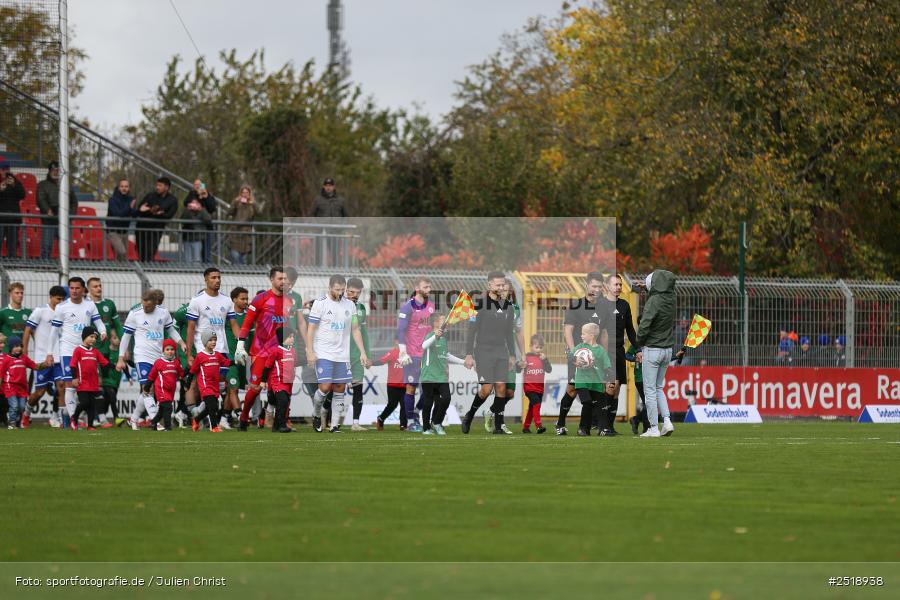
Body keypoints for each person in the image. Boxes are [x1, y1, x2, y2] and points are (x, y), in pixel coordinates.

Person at [235, 267, 300, 430]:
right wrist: (240, 345)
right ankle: (243, 418)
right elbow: (247, 322)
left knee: (282, 387)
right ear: (271, 279)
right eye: (280, 278)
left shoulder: (289, 302)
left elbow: (286, 328)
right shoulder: (260, 299)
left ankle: (281, 422)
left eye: (285, 279)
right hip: (260, 351)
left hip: (280, 352)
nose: (283, 281)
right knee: (256, 388)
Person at [304, 275, 368, 433]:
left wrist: (362, 352)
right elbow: (311, 328)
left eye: (342, 290)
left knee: (340, 388)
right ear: (330, 287)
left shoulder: (350, 306)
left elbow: (355, 329)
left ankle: (334, 426)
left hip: (342, 354)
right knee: (325, 387)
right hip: (323, 352)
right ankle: (316, 414)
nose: (340, 293)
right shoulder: (320, 303)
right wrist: (310, 351)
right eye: (337, 289)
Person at [460, 271, 520, 435]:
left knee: (501, 387)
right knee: (486, 389)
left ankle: (499, 425)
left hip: (502, 351)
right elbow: (471, 331)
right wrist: (469, 354)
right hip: (483, 351)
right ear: (489, 285)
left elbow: (509, 333)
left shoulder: (508, 306)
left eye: (503, 285)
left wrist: (513, 355)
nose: (501, 287)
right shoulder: (479, 305)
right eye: (498, 285)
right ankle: (470, 416)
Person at [118, 289, 186, 431]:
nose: (145, 307)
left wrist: (181, 342)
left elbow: (171, 330)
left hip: (158, 357)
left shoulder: (163, 312)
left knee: (149, 391)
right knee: (147, 389)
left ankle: (133, 419)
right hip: (142, 356)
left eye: (148, 305)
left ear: (156, 303)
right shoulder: (135, 313)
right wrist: (120, 358)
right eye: (143, 303)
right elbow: (126, 336)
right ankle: (156, 422)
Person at [556, 271, 611, 435]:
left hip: (595, 356)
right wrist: (574, 353)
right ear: (587, 285)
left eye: (599, 287)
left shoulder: (604, 307)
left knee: (596, 390)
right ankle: (560, 424)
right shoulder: (576, 305)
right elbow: (568, 330)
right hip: (578, 357)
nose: (596, 289)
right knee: (572, 389)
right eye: (593, 286)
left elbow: (604, 333)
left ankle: (594, 427)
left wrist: (604, 356)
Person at [50, 277, 107, 429]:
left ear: (83, 290)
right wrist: (50, 352)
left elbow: (98, 321)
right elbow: (54, 331)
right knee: (70, 384)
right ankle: (72, 421)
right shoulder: (62, 307)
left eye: (77, 288)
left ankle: (74, 417)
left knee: (84, 387)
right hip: (68, 350)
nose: (74, 291)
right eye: (71, 288)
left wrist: (102, 331)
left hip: (85, 350)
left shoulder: (90, 305)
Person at [186, 268, 239, 428]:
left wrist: (241, 344)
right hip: (204, 349)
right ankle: (211, 422)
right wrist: (189, 353)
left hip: (221, 347)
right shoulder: (197, 300)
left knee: (219, 386)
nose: (217, 280)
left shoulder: (227, 300)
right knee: (205, 386)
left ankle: (199, 414)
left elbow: (234, 324)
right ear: (206, 280)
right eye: (213, 277)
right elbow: (190, 327)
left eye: (219, 277)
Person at [635, 269, 677, 438]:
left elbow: (645, 324)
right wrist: (645, 287)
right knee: (659, 387)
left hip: (652, 349)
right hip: (667, 349)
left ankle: (653, 427)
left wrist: (638, 341)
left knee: (650, 389)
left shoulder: (653, 301)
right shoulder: (671, 297)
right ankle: (667, 421)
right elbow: (659, 291)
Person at [22, 285, 66, 428]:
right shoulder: (40, 311)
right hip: (42, 358)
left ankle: (58, 418)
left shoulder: (64, 313)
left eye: (62, 299)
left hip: (59, 357)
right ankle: (26, 414)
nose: (60, 302)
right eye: (58, 299)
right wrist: (25, 351)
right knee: (39, 392)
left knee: (61, 386)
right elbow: (28, 330)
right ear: (51, 297)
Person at [395, 276, 436, 432]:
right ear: (418, 289)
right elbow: (400, 330)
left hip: (427, 354)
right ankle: (411, 421)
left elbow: (431, 328)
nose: (429, 290)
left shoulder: (431, 306)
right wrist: (403, 351)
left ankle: (417, 412)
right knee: (411, 388)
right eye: (425, 287)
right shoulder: (407, 307)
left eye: (429, 287)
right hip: (412, 354)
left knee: (430, 388)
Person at [599, 274, 637, 433]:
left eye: (620, 285)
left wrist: (638, 348)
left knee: (617, 389)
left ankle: (609, 426)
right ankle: (603, 426)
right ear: (607, 286)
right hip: (605, 351)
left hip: (619, 350)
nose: (619, 287)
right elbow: (596, 330)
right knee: (609, 387)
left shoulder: (625, 305)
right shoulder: (600, 305)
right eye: (615, 284)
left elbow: (630, 329)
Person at [489, 278, 525, 433]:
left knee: (509, 392)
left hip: (510, 355)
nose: (504, 291)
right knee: (500, 389)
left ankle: (491, 412)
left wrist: (522, 354)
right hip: (494, 353)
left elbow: (518, 332)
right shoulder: (490, 306)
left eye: (507, 290)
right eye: (502, 288)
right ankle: (500, 423)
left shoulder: (514, 308)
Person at [419, 313, 464, 435]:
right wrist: (435, 336)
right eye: (444, 320)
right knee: (428, 402)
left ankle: (437, 422)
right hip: (429, 376)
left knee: (446, 399)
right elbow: (423, 346)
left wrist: (463, 362)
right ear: (436, 323)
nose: (447, 322)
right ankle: (426, 428)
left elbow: (446, 355)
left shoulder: (444, 339)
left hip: (441, 377)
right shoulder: (429, 336)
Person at [573, 323, 614, 436]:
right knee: (587, 403)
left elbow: (607, 367)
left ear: (591, 335)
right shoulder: (580, 347)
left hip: (596, 383)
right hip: (582, 381)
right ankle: (583, 429)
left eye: (583, 333)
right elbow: (570, 356)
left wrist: (610, 381)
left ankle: (603, 429)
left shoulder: (601, 351)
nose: (581, 336)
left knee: (601, 405)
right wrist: (575, 359)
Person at [186, 330, 230, 432]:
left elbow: (227, 363)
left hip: (215, 386)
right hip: (205, 386)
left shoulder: (218, 355)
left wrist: (237, 361)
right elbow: (192, 371)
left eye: (215, 340)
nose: (213, 342)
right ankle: (214, 427)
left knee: (212, 408)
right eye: (210, 340)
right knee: (212, 406)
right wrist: (188, 383)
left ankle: (196, 420)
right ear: (205, 342)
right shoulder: (200, 356)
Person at [36, 161, 79, 260]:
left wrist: (70, 214)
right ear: (49, 171)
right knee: (46, 246)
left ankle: (64, 267)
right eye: (54, 170)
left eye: (58, 170)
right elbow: (40, 199)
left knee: (65, 247)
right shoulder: (42, 185)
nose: (56, 172)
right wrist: (47, 210)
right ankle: (44, 265)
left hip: (64, 221)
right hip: (49, 221)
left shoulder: (67, 185)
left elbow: (74, 202)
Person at [345, 277, 372, 431]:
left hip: (357, 355)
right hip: (341, 355)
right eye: (352, 291)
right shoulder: (338, 306)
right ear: (346, 290)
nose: (355, 295)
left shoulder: (361, 308)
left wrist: (366, 354)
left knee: (358, 389)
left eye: (358, 292)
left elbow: (363, 333)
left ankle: (355, 423)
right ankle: (326, 419)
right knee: (335, 389)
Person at [70, 326, 109, 430]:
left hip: (93, 384)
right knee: (84, 403)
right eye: (91, 336)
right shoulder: (78, 350)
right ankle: (74, 418)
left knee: (92, 405)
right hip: (82, 383)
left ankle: (90, 425)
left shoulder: (95, 351)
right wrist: (74, 378)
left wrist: (116, 367)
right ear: (84, 337)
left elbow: (104, 362)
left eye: (95, 337)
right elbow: (73, 365)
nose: (93, 339)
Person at [224, 287, 252, 428]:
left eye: (247, 298)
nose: (245, 301)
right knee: (233, 388)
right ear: (234, 299)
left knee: (232, 389)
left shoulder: (249, 316)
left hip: (244, 358)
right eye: (242, 298)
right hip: (230, 357)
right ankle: (241, 416)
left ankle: (224, 416)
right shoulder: (228, 316)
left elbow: (252, 336)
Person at [260, 328, 296, 433]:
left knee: (285, 404)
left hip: (289, 383)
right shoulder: (276, 351)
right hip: (278, 382)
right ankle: (282, 425)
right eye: (290, 336)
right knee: (282, 402)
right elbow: (267, 366)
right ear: (283, 339)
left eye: (293, 336)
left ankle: (276, 427)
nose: (292, 338)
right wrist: (263, 381)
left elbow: (293, 365)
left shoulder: (293, 351)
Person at [136, 177, 178, 262]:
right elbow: (140, 209)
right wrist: (151, 210)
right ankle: (142, 269)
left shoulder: (172, 200)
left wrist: (158, 213)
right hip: (141, 228)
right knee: (141, 252)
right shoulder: (150, 196)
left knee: (150, 251)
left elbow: (169, 215)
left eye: (160, 185)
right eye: (157, 185)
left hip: (156, 230)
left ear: (166, 187)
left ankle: (147, 269)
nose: (157, 187)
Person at [146, 339, 184, 431]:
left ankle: (153, 422)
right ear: (163, 351)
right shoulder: (159, 362)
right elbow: (152, 375)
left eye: (172, 349)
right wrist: (147, 386)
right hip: (161, 389)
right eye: (167, 349)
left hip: (171, 390)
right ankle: (168, 427)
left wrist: (185, 382)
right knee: (168, 407)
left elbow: (181, 374)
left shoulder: (176, 362)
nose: (170, 351)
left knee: (162, 410)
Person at [0, 336, 37, 429]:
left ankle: (16, 420)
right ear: (11, 347)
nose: (19, 348)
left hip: (22, 388)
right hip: (10, 386)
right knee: (15, 406)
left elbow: (35, 366)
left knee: (21, 407)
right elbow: (1, 375)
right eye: (16, 346)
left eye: (20, 346)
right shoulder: (6, 359)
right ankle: (11, 423)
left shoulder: (24, 358)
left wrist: (45, 365)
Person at [373, 345, 408, 430]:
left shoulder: (409, 352)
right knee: (392, 405)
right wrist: (372, 363)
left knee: (405, 405)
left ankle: (403, 425)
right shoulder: (392, 353)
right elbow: (382, 361)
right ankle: (381, 418)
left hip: (405, 385)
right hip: (393, 385)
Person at [522, 334, 551, 434]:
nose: (538, 349)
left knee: (532, 407)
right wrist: (521, 364)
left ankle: (526, 427)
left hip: (539, 388)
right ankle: (539, 426)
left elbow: (549, 370)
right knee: (536, 404)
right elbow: (518, 369)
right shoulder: (526, 357)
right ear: (531, 346)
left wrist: (545, 360)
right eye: (536, 347)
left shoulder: (542, 358)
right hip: (529, 387)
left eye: (540, 347)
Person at [181, 179, 215, 263]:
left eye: (199, 185)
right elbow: (186, 203)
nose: (197, 186)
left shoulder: (208, 195)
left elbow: (212, 208)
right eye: (195, 184)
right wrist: (194, 193)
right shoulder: (191, 194)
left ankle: (208, 271)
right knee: (192, 256)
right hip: (193, 230)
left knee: (206, 253)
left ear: (203, 186)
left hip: (206, 228)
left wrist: (205, 196)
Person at [101, 330, 129, 427]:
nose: (118, 340)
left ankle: (101, 417)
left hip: (116, 381)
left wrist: (129, 377)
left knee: (108, 401)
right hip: (107, 380)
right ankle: (117, 418)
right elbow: (102, 365)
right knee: (112, 398)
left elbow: (124, 366)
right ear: (110, 339)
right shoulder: (106, 352)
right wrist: (101, 377)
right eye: (115, 338)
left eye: (118, 338)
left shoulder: (120, 354)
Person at [0, 160, 26, 258]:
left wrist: (14, 185)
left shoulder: (15, 181)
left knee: (13, 243)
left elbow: (22, 195)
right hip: (1, 218)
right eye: (3, 169)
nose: (5, 172)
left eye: (7, 169)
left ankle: (12, 261)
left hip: (13, 218)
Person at [106, 178, 136, 261]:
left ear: (129, 188)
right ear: (119, 188)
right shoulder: (112, 200)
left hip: (124, 231)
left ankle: (120, 272)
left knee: (122, 257)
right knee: (122, 252)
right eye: (122, 186)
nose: (124, 188)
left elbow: (133, 214)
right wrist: (129, 208)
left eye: (126, 186)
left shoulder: (131, 199)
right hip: (113, 231)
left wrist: (139, 210)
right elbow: (118, 214)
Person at [226, 185, 257, 265]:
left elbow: (259, 213)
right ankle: (235, 273)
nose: (245, 194)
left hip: (246, 234)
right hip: (235, 232)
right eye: (243, 192)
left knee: (243, 258)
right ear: (240, 193)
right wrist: (235, 202)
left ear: (249, 194)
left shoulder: (252, 204)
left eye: (247, 192)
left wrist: (252, 204)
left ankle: (243, 275)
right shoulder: (237, 202)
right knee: (235, 256)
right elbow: (229, 212)